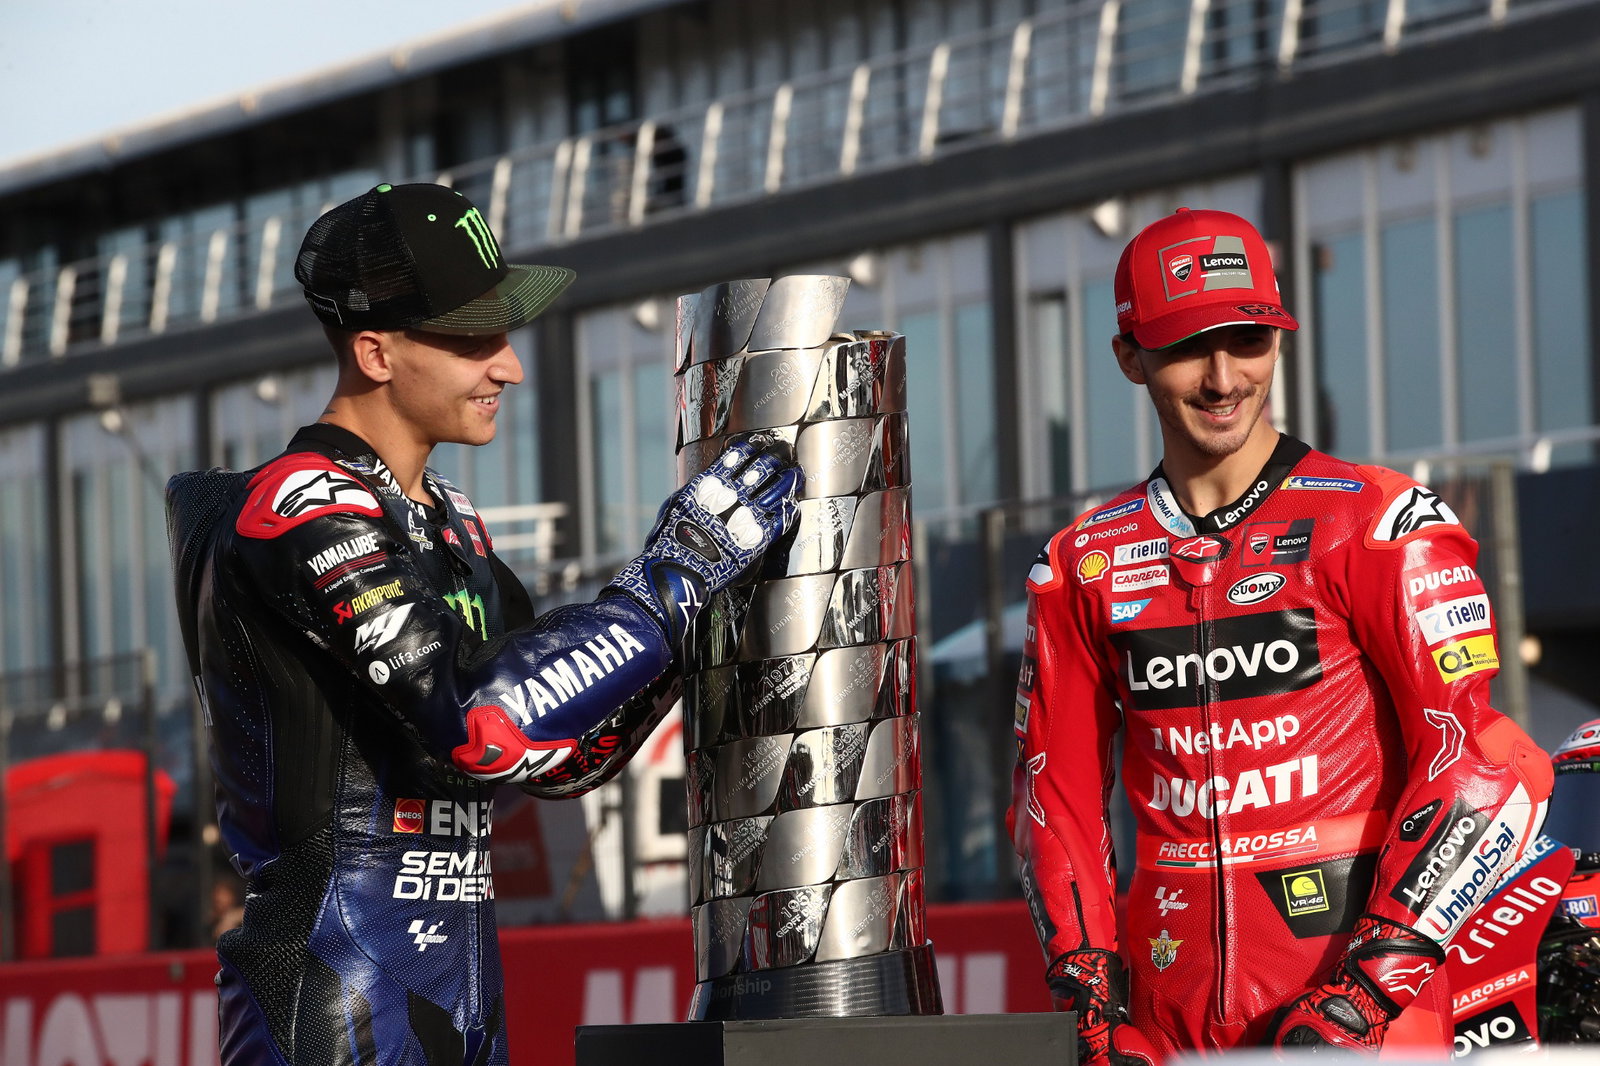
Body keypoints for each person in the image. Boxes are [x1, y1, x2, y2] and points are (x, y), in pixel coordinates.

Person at [166, 182, 800, 1066]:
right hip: (334, 1012)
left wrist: (698, 604)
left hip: (460, 1011)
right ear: (376, 352)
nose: (508, 366)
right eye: (472, 339)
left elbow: (562, 754)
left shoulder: (449, 521)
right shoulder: (299, 504)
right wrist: (675, 578)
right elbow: (484, 723)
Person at [1008, 207, 1554, 1061]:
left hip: (1361, 1020)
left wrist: (1365, 994)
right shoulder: (1082, 563)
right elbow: (1056, 798)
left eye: (1249, 341)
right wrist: (1088, 999)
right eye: (1190, 347)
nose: (1225, 378)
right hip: (1165, 1019)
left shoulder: (1379, 524)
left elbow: (1489, 768)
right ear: (1129, 359)